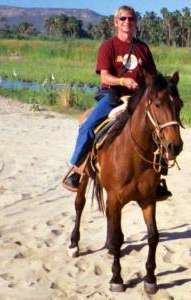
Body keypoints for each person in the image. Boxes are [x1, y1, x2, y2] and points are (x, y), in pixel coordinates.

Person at [62, 5, 172, 197]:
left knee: (161, 127)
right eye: (123, 19)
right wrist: (123, 81)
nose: (127, 22)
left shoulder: (142, 48)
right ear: (116, 22)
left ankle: (159, 177)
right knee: (88, 127)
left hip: (139, 99)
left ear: (136, 22)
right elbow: (104, 77)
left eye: (131, 19)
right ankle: (76, 170)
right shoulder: (108, 47)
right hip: (112, 96)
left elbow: (152, 77)